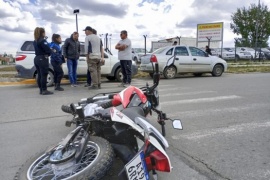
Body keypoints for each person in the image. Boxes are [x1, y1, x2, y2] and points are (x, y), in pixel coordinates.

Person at [33, 27, 53, 95]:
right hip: (42, 58)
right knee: (44, 75)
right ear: (42, 33)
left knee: (40, 75)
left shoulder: (35, 41)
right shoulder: (42, 41)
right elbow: (47, 50)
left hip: (37, 58)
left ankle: (41, 90)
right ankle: (44, 90)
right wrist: (50, 51)